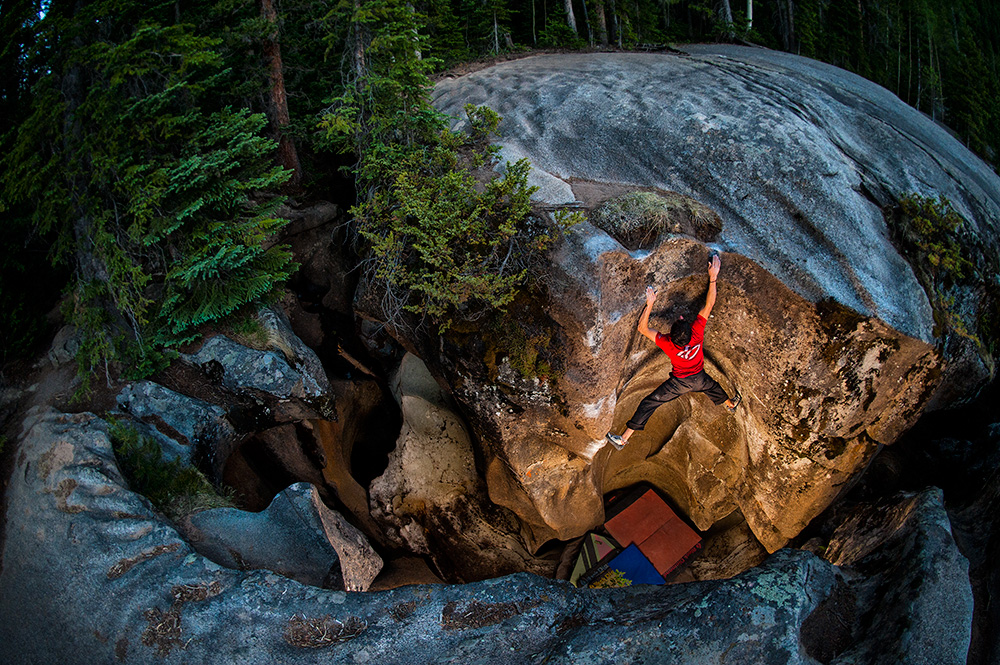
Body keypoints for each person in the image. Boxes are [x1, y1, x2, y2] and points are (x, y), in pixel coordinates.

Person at [606, 252, 740, 450]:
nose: (681, 317)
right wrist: (713, 277)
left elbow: (642, 328)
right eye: (683, 320)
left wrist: (650, 303)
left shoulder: (668, 343)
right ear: (689, 328)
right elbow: (709, 304)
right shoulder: (696, 333)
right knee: (713, 386)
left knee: (649, 403)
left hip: (679, 384)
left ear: (671, 334)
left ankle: (624, 439)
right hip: (699, 378)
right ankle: (730, 404)